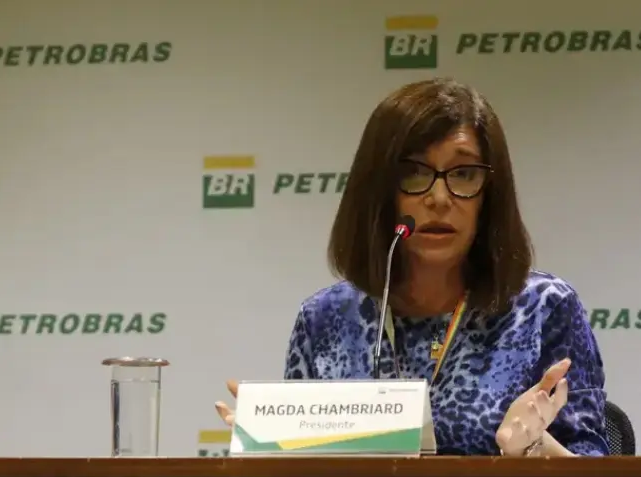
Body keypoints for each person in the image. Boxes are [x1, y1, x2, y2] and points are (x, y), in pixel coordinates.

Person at [215, 78, 609, 457]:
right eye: (414, 172)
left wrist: (534, 450)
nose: (439, 198)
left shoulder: (544, 310)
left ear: (490, 196)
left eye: (464, 174)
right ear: (379, 192)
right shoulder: (324, 319)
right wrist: (271, 450)